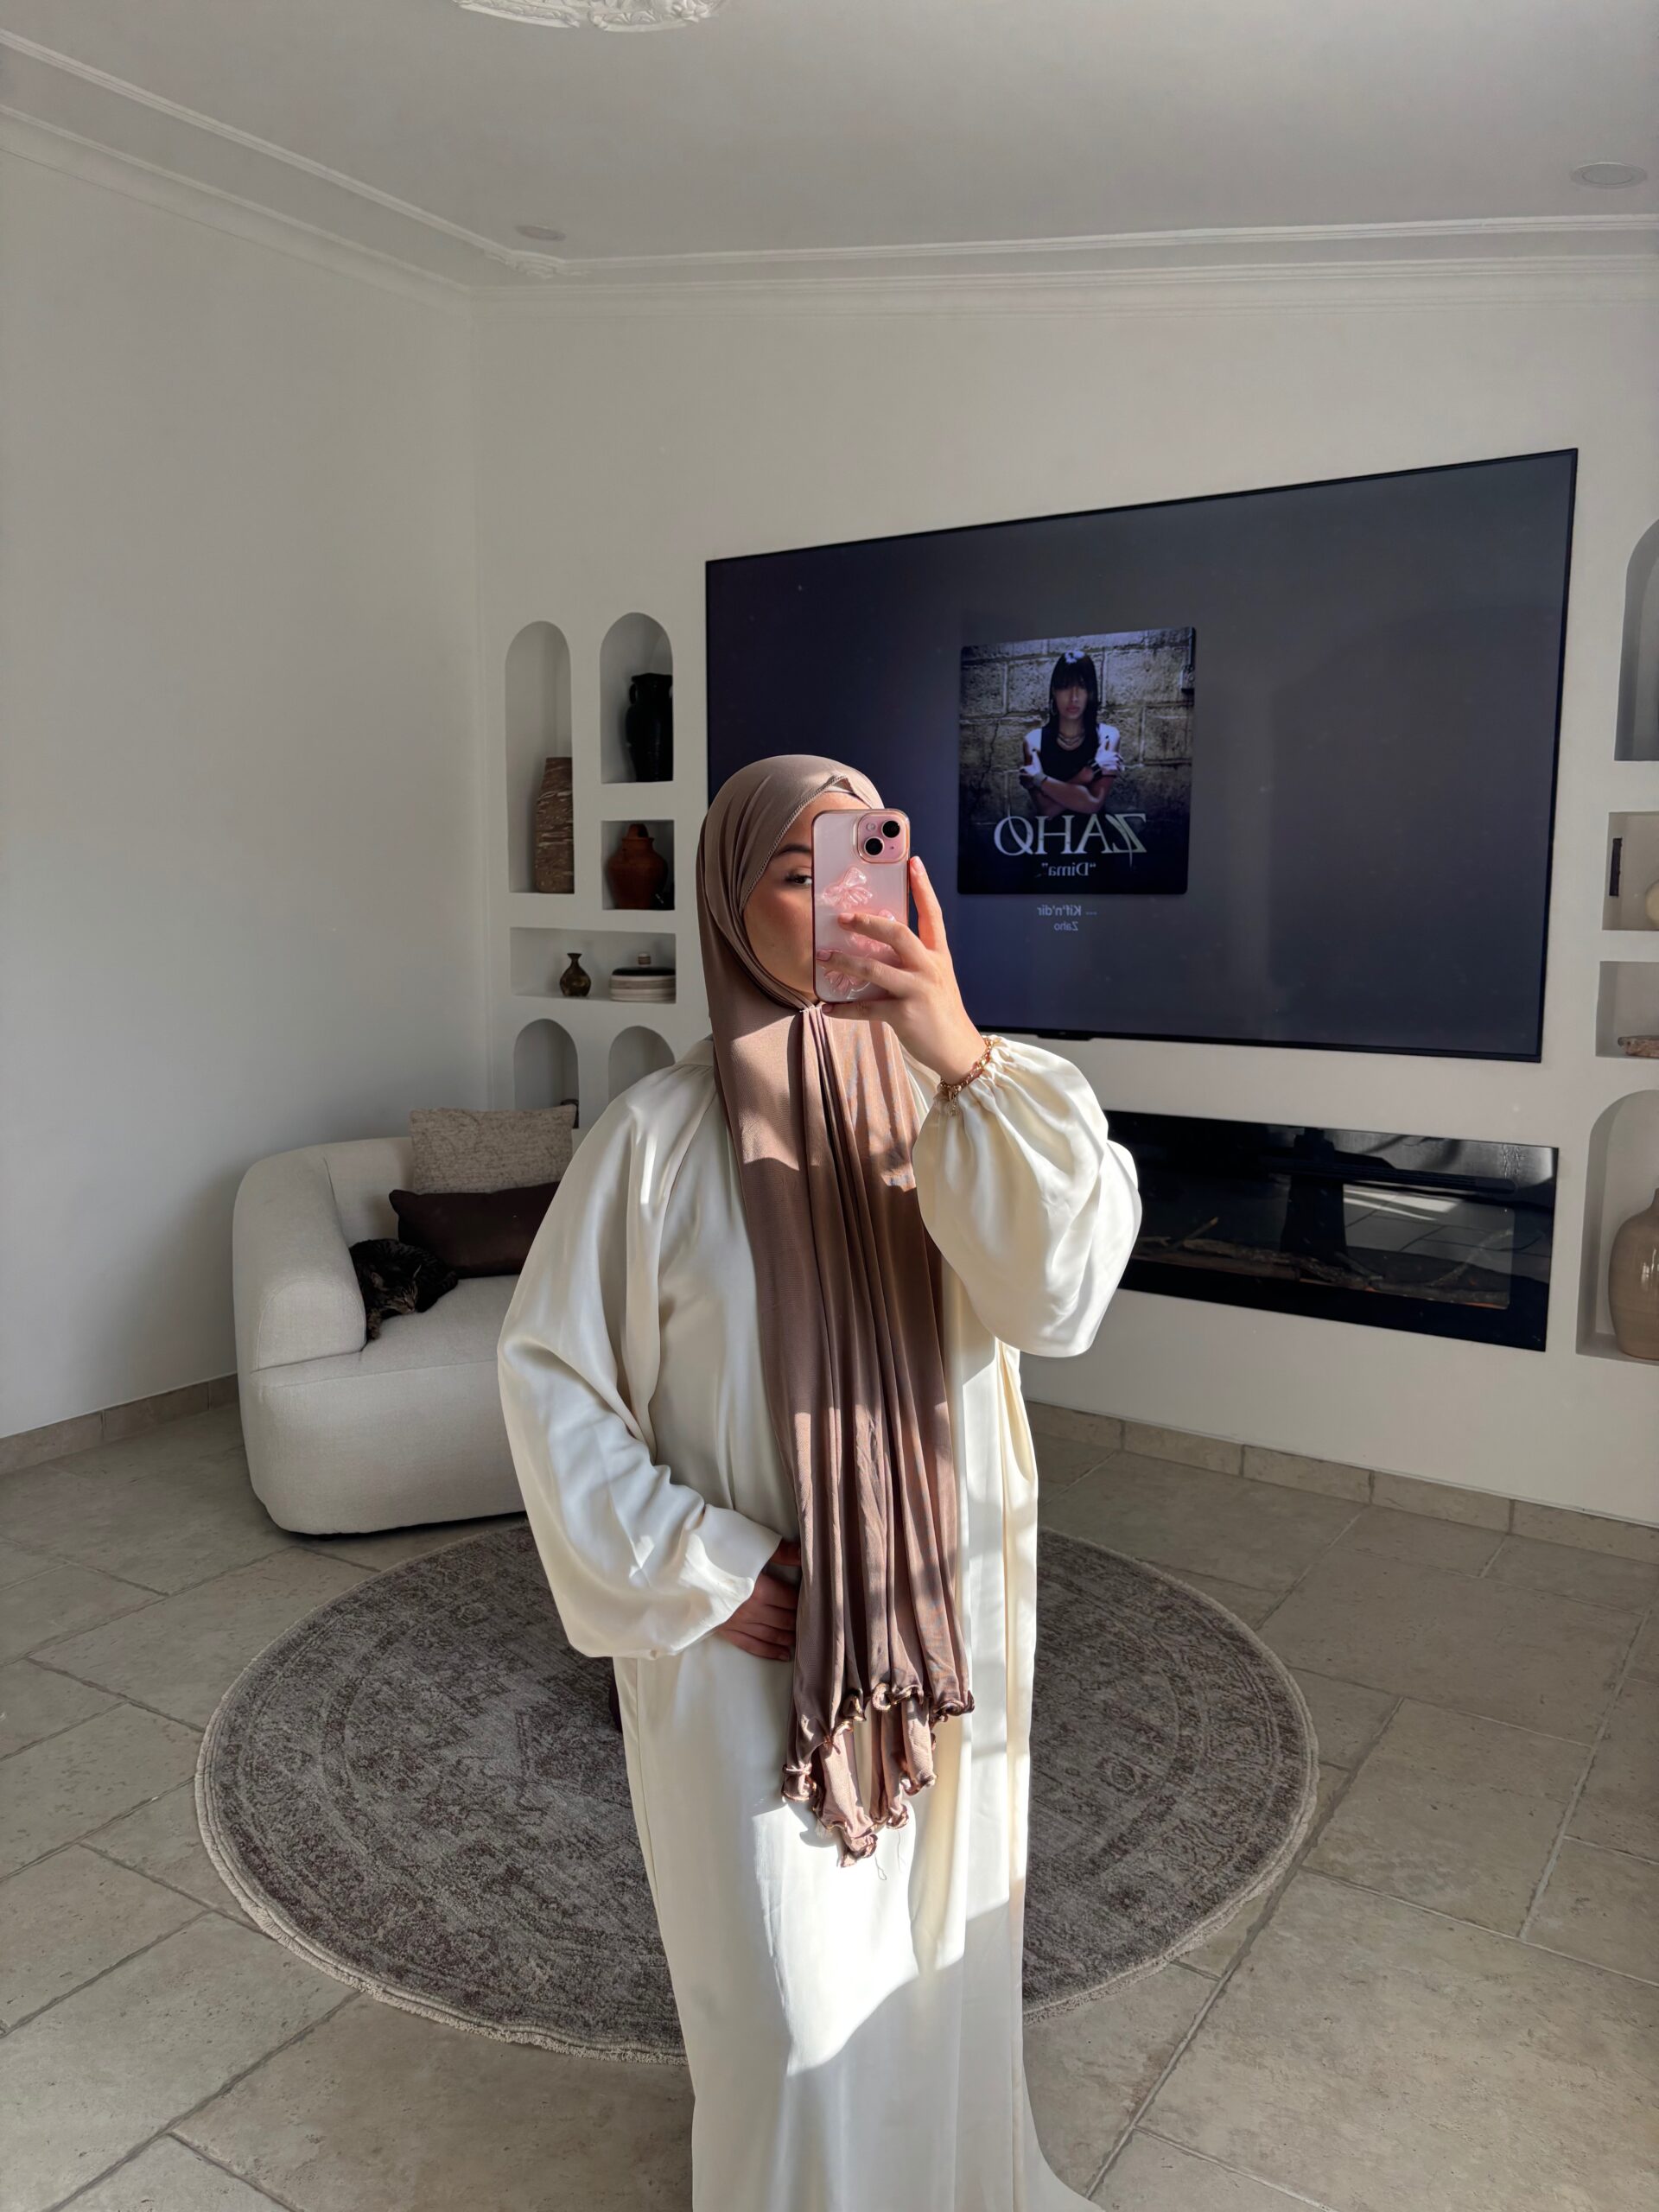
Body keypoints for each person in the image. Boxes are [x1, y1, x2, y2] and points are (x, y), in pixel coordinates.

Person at [497, 754, 1142, 2212]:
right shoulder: (655, 1140)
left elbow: (1060, 1298)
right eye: (795, 872)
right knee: (787, 2012)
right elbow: (551, 1383)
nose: (841, 896)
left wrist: (959, 1053)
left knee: (936, 1961)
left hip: (939, 1620)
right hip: (750, 1649)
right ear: (732, 909)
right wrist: (701, 1566)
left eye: (863, 856)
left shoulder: (977, 1100)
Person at [1019, 648, 1122, 817]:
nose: (1074, 697)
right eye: (1065, 686)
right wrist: (1089, 773)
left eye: (1082, 686)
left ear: (1090, 692)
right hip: (1050, 834)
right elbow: (1046, 809)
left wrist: (1039, 780)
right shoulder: (1034, 741)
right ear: (1054, 691)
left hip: (1095, 833)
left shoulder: (1107, 736)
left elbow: (1093, 803)